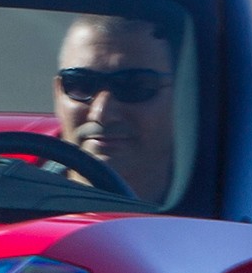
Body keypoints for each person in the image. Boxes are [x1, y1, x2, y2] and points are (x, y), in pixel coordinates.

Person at [52, 12, 178, 203]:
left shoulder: (225, 215)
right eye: (79, 84)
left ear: (184, 99)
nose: (101, 113)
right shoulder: (8, 200)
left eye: (134, 86)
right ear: (58, 94)